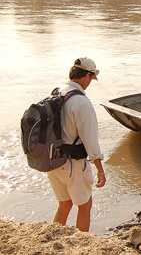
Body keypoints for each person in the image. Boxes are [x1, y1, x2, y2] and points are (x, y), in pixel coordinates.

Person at [47, 57, 106, 232]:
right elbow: (90, 141)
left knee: (64, 204)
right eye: (92, 78)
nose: (91, 82)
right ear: (87, 76)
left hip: (52, 161)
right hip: (73, 163)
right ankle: (82, 244)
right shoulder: (81, 102)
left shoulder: (57, 92)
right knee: (85, 205)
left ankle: (53, 240)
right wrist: (100, 169)